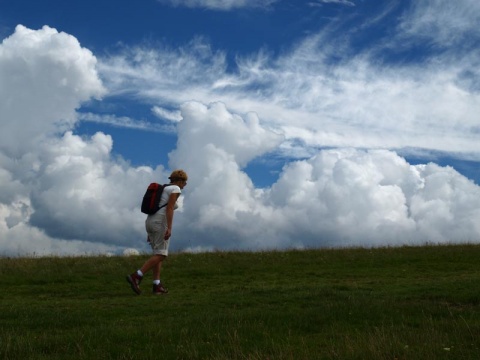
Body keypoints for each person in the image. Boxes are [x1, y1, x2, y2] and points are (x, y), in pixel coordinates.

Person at [126, 169, 188, 295]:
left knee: (157, 254)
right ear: (179, 180)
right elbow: (169, 208)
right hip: (160, 223)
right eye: (184, 182)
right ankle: (137, 276)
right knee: (162, 255)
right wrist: (169, 228)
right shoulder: (175, 189)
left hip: (150, 222)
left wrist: (150, 233)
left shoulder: (164, 189)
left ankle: (157, 285)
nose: (185, 185)